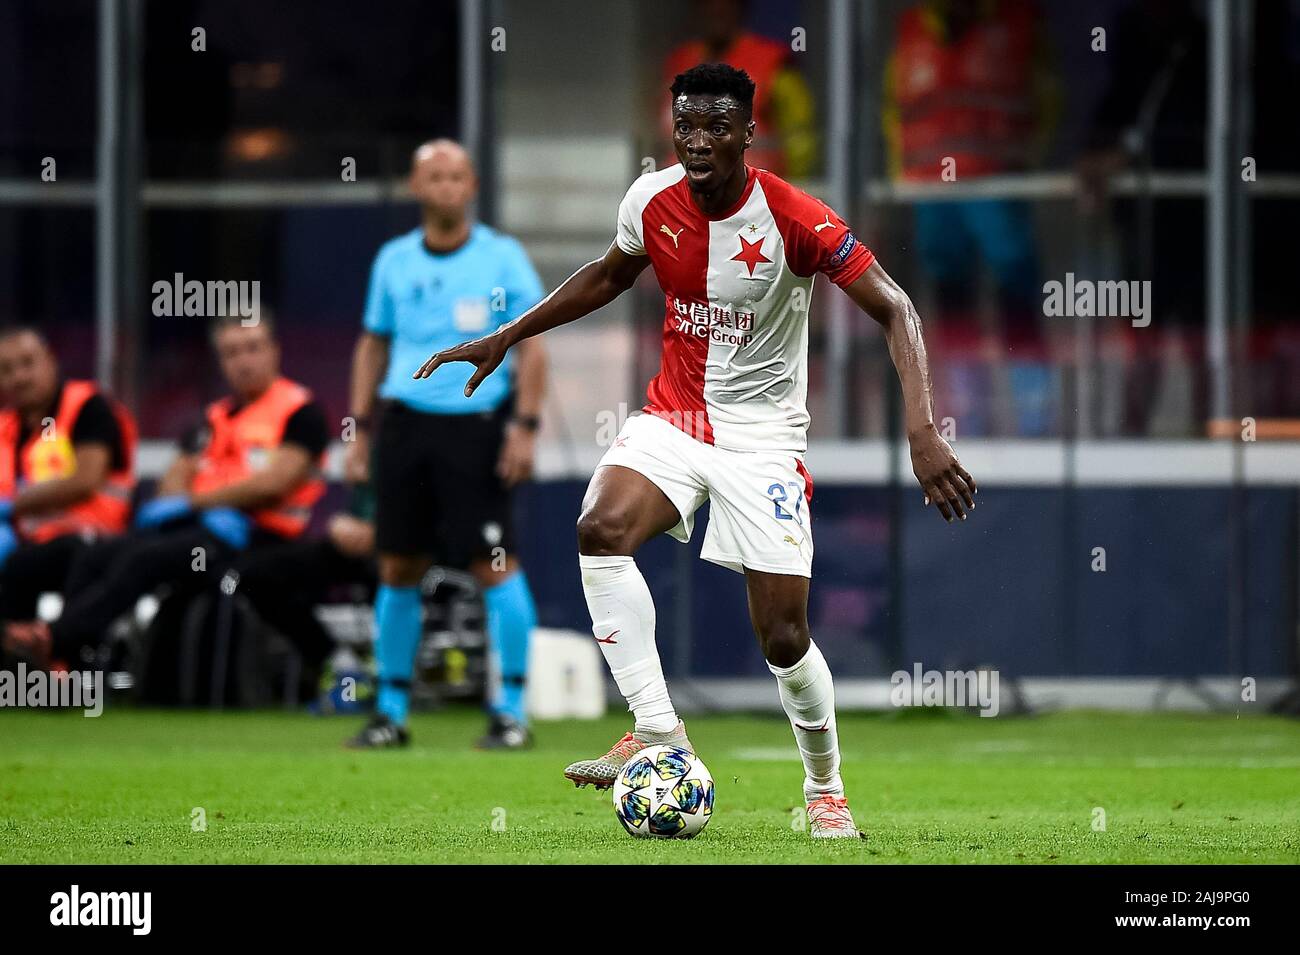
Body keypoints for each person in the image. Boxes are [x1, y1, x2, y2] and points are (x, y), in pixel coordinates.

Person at [414, 64, 977, 838]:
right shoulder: (651, 200)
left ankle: (825, 787)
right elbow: (609, 275)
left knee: (783, 636)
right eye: (686, 126)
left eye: (717, 126)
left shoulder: (794, 216)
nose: (699, 141)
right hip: (674, 417)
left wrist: (922, 431)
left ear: (749, 132)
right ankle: (656, 727)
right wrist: (509, 334)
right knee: (599, 527)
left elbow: (896, 306)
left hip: (764, 439)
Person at [346, 139, 547, 750]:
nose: (446, 187)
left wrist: (525, 427)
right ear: (415, 186)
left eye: (457, 176)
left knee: (493, 564)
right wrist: (358, 430)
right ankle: (392, 713)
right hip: (405, 424)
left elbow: (534, 345)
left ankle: (511, 711)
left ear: (473, 186)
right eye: (434, 177)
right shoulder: (393, 261)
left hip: (477, 425)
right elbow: (372, 344)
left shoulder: (503, 259)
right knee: (398, 565)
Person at [20, 314, 330, 669]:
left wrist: (197, 498)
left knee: (143, 560)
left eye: (252, 349)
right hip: (197, 531)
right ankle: (67, 666)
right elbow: (171, 484)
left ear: (274, 351)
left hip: (255, 540)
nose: (243, 361)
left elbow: (273, 484)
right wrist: (206, 496)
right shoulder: (213, 418)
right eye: (231, 353)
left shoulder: (300, 412)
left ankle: (54, 638)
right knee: (97, 556)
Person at [883, 0, 1060, 435]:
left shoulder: (1016, 27)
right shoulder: (913, 33)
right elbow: (895, 111)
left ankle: (1034, 417)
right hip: (932, 194)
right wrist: (901, 180)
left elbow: (1048, 101)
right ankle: (967, 416)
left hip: (997, 188)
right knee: (951, 300)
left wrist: (1028, 162)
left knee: (1016, 295)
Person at [0, 325, 137, 664]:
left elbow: (86, 478)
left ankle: (61, 661)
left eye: (27, 363)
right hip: (27, 542)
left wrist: (12, 506)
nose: (19, 377)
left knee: (25, 566)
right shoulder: (7, 428)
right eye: (6, 369)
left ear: (50, 361)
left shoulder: (88, 408)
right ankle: (15, 663)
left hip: (94, 538)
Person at [662, 0, 817, 178]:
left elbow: (800, 142)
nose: (716, 9)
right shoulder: (679, 62)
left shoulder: (772, 65)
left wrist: (785, 195)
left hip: (751, 196)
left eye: (726, 4)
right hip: (680, 197)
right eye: (708, 4)